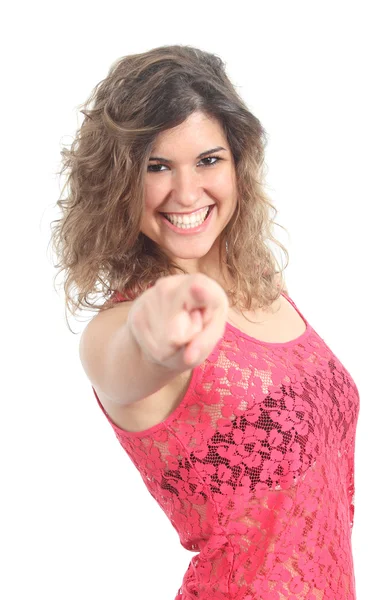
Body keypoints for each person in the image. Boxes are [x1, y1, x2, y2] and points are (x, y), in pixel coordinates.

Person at [50, 45, 360, 600]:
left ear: (239, 163)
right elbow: (125, 364)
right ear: (119, 181)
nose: (187, 192)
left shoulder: (266, 291)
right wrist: (153, 338)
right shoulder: (121, 325)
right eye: (157, 166)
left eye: (209, 160)